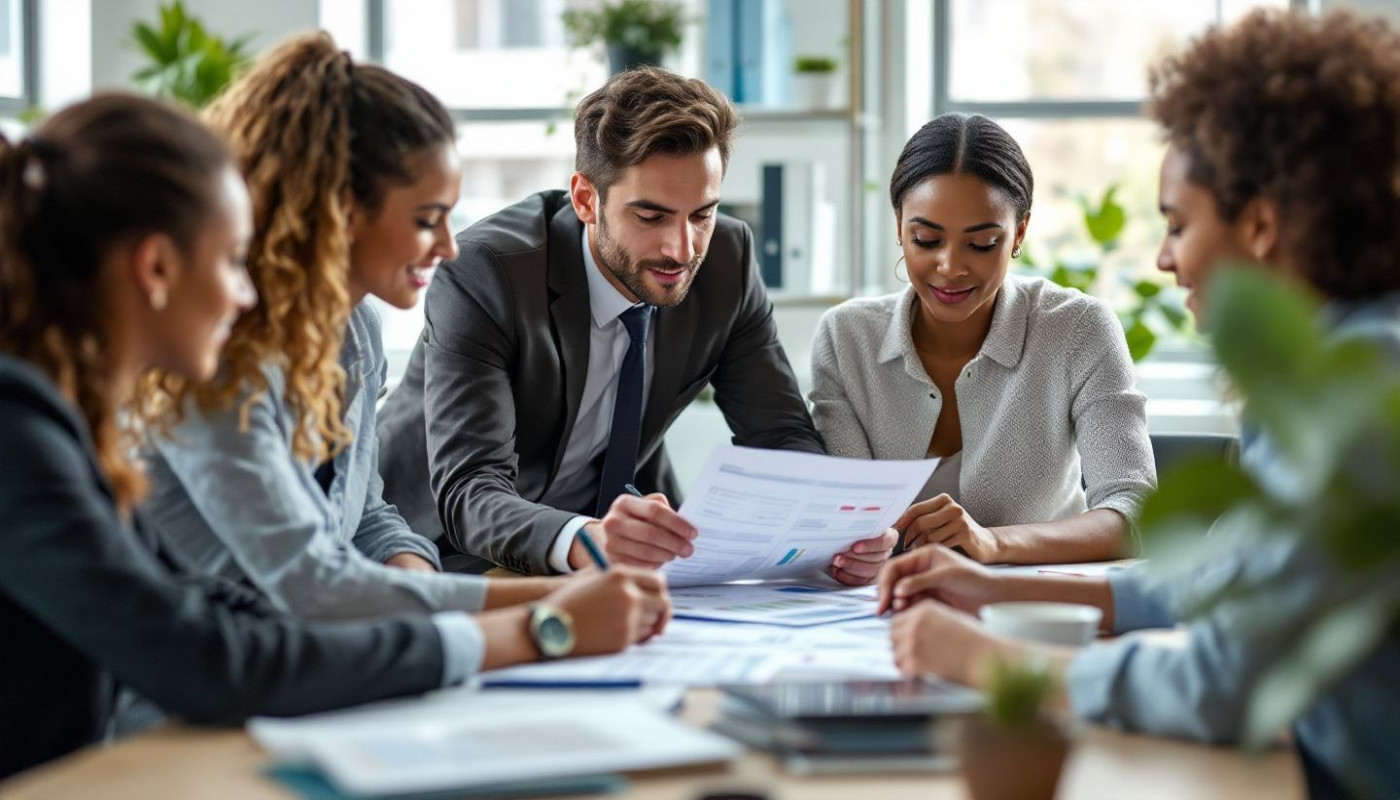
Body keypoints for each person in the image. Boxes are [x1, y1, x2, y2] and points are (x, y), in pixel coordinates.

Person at [0, 93, 666, 780]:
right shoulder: (19, 430)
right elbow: (214, 657)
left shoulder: (59, 418)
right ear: (157, 268)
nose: (246, 293)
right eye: (232, 260)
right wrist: (540, 631)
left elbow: (207, 607)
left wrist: (549, 603)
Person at [876, 9, 1400, 797]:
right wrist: (996, 588)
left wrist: (988, 659)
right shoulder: (1329, 364)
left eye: (1178, 224)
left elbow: (1225, 683)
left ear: (1260, 226)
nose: (1163, 258)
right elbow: (1222, 581)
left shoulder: (1363, 384)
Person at [137, 32, 669, 660]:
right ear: (337, 211)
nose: (447, 246)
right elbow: (311, 585)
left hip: (330, 664)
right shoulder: (219, 355)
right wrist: (549, 609)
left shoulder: (352, 328)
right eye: (426, 218)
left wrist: (412, 589)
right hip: (203, 698)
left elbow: (365, 516)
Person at [376, 66, 896, 583]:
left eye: (701, 215)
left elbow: (779, 436)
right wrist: (586, 540)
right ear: (586, 200)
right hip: (440, 549)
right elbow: (472, 490)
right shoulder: (487, 272)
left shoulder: (726, 261)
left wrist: (838, 531)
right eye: (651, 217)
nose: (682, 249)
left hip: (612, 550)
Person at [810, 113, 1155, 565]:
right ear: (899, 227)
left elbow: (1134, 514)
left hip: (1032, 607)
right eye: (926, 239)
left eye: (982, 244)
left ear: (1020, 233)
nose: (950, 266)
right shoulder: (846, 338)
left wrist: (993, 543)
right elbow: (845, 519)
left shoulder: (1078, 329)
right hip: (881, 608)